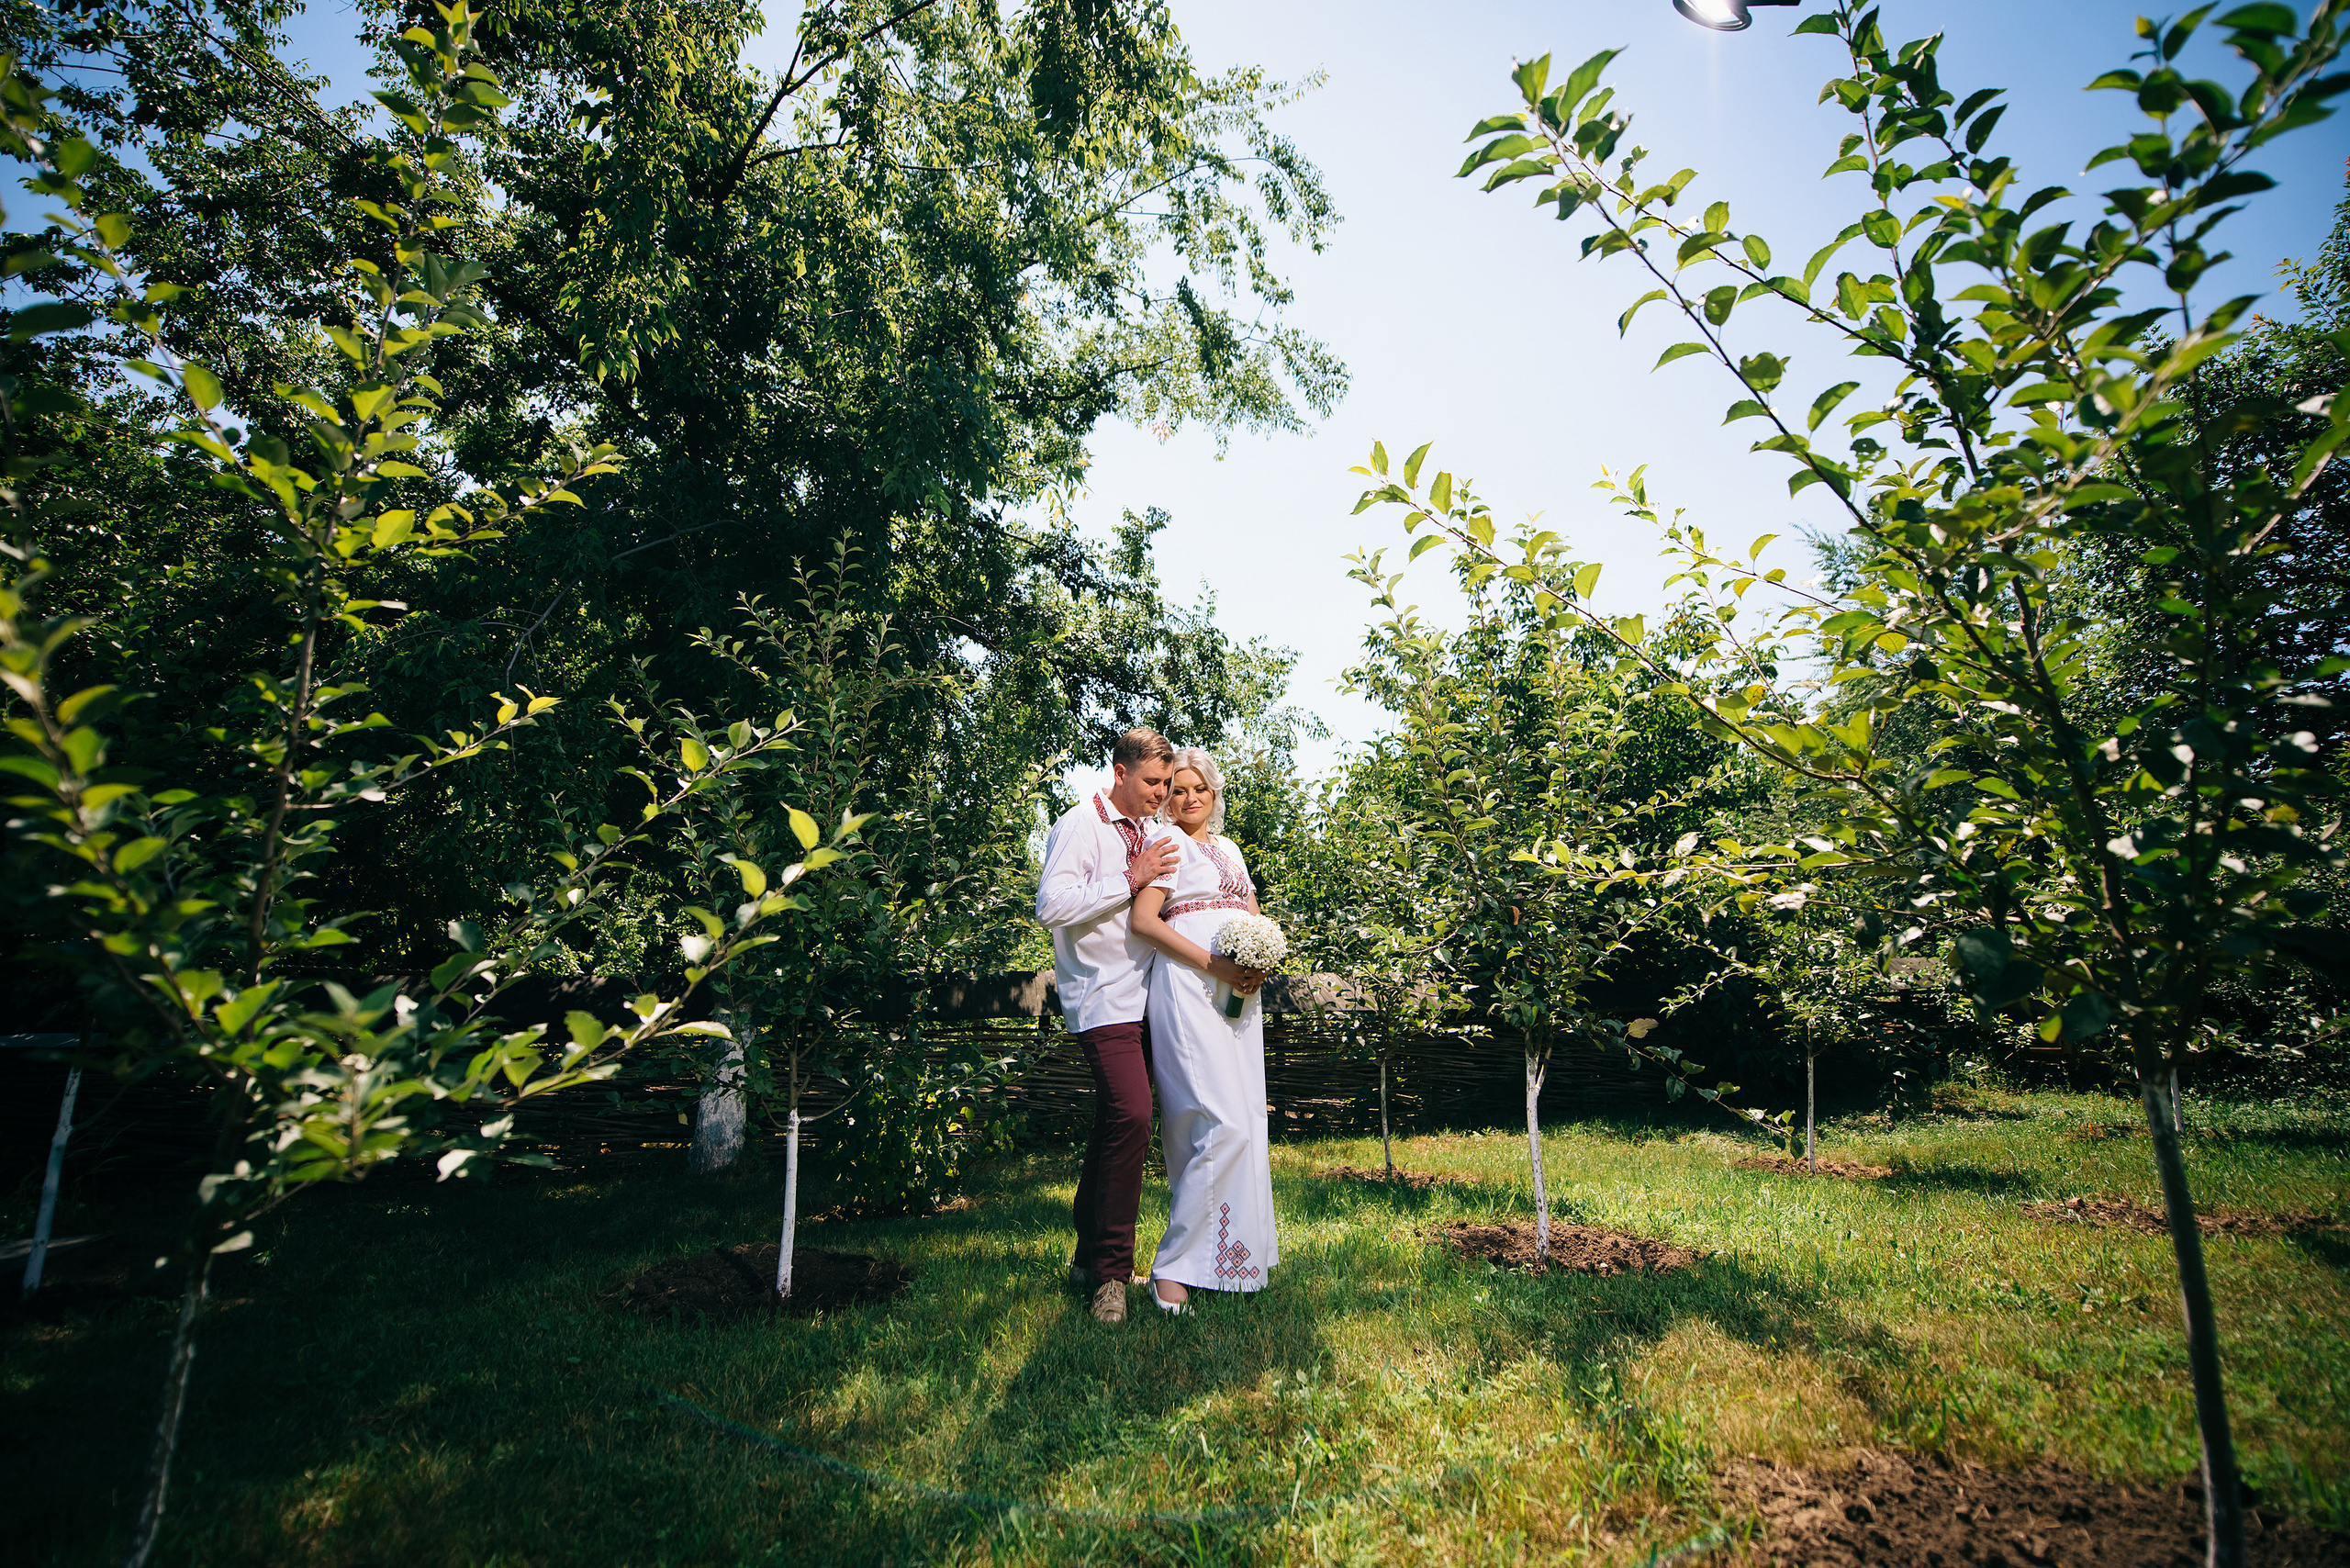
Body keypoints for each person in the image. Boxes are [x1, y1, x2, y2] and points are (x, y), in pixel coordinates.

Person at [1035, 726, 1181, 1324]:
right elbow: (1051, 907)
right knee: (1134, 1116)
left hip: (1154, 1000)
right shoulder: (1079, 825)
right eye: (1152, 781)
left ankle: (1086, 1254)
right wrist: (1130, 877)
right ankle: (1113, 1278)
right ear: (1119, 773)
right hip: (1101, 1000)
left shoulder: (1154, 831)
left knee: (1115, 1124)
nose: (1161, 792)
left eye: (1168, 783)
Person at [1128, 745, 1275, 1314]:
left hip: (1237, 995)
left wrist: (1257, 961)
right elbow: (1144, 921)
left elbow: (1253, 914)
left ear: (1214, 795)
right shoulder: (1166, 845)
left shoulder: (1232, 849)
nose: (1188, 798)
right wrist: (1214, 964)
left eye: (1200, 789)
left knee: (1245, 1120)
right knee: (1217, 1123)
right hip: (1190, 987)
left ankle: (1231, 1261)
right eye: (1178, 789)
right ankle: (1171, 1270)